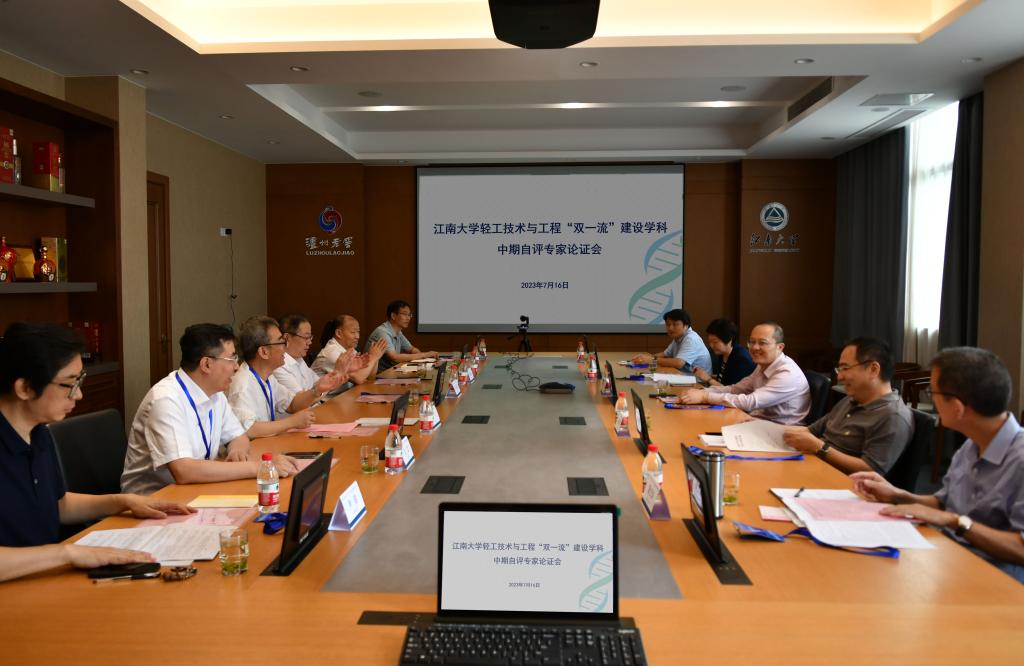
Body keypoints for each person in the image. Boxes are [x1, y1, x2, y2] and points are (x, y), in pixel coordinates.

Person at [0, 322, 194, 582]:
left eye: (79, 380)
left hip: (43, 577)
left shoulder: (37, 433)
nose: (78, 394)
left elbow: (56, 504)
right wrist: (66, 554)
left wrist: (123, 502)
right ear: (24, 388)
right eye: (69, 384)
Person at [851, 347, 1024, 583]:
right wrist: (898, 495)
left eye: (933, 393)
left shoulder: (1019, 458)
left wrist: (956, 522)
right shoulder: (972, 444)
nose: (932, 399)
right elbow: (944, 503)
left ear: (957, 407)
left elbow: (1020, 548)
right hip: (951, 559)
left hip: (997, 582)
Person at [122, 323, 300, 495]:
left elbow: (239, 436)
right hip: (155, 499)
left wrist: (237, 451)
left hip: (199, 488)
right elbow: (184, 471)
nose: (236, 367)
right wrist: (262, 467)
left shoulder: (215, 393)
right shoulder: (166, 399)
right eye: (232, 359)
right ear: (206, 364)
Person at [783, 337, 913, 474]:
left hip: (838, 482)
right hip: (812, 467)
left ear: (873, 369)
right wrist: (775, 433)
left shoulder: (893, 416)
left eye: (845, 368)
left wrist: (819, 447)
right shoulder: (851, 399)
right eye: (839, 369)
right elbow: (811, 431)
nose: (840, 377)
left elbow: (871, 470)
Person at [228, 316, 343, 439]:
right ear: (264, 352)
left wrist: (316, 390)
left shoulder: (268, 377)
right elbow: (250, 430)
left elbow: (292, 404)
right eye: (281, 342)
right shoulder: (243, 385)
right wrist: (292, 422)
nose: (286, 346)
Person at [676, 322, 810, 424]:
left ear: (780, 347)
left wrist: (705, 397)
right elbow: (735, 389)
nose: (755, 347)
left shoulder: (787, 373)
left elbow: (750, 402)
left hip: (782, 432)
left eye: (762, 343)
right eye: (752, 342)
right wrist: (701, 392)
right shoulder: (762, 365)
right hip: (758, 423)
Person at [274, 314, 355, 406]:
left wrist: (338, 373)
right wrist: (338, 372)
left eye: (310, 337)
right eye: (306, 337)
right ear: (287, 338)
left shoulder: (298, 359)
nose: (310, 342)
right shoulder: (279, 365)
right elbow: (300, 403)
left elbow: (321, 386)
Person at [311, 314, 387, 386]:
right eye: (353, 332)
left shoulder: (350, 349)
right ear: (338, 333)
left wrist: (376, 357)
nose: (357, 336)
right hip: (327, 395)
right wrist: (373, 357)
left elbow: (370, 377)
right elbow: (358, 378)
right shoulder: (332, 352)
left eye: (358, 332)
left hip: (345, 393)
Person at [631, 308, 712, 373]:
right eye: (668, 324)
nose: (670, 328)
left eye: (675, 324)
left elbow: (679, 363)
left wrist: (651, 360)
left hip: (698, 382)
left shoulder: (691, 339)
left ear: (686, 326)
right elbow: (665, 354)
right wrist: (644, 358)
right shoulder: (679, 337)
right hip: (684, 376)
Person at [365, 300, 438, 372]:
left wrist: (425, 359)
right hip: (375, 375)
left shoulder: (398, 332)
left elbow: (412, 349)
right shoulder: (382, 332)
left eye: (409, 315)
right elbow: (395, 357)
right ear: (393, 316)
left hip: (389, 372)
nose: (408, 318)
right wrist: (425, 354)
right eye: (405, 314)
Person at [693, 318, 756, 387]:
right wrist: (704, 375)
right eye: (710, 342)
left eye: (715, 342)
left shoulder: (741, 359)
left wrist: (708, 379)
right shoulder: (723, 353)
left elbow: (731, 390)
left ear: (729, 339)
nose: (711, 345)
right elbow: (723, 378)